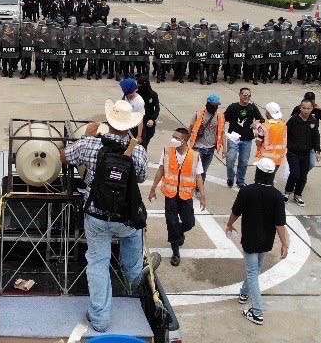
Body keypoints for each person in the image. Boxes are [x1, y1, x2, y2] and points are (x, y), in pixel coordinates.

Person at [60, 99, 152, 333]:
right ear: (130, 125)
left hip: (97, 216)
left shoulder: (90, 144)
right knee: (134, 237)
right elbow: (141, 177)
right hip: (127, 217)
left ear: (109, 122)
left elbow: (64, 157)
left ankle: (100, 318)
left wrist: (86, 136)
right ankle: (133, 277)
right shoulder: (139, 151)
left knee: (98, 264)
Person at [225, 157, 288, 326]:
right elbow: (280, 224)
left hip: (250, 240)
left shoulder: (247, 191)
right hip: (266, 241)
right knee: (256, 270)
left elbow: (236, 211)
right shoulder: (277, 196)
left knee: (253, 272)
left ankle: (257, 312)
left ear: (258, 173)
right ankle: (244, 293)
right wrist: (284, 243)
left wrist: (229, 224)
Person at [148, 127, 204, 266]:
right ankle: (175, 253)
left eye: (176, 138)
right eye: (173, 136)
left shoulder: (194, 156)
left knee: (189, 223)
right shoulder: (167, 151)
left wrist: (203, 195)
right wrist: (153, 188)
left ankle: (178, 233)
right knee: (172, 223)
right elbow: (161, 170)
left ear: (184, 140)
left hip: (186, 195)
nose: (173, 139)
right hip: (170, 194)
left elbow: (198, 176)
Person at [223, 87, 264, 188]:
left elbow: (261, 119)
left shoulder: (252, 107)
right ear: (240, 95)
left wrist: (256, 123)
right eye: (244, 94)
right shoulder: (233, 107)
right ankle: (230, 177)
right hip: (233, 138)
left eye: (249, 95)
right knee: (230, 160)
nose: (246, 97)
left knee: (244, 161)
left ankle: (240, 181)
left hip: (247, 139)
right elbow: (224, 118)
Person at [284, 99, 320, 206]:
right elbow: (285, 133)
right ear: (300, 108)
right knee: (294, 173)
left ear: (312, 109)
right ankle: (287, 192)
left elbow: (316, 136)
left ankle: (298, 195)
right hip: (293, 152)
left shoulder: (313, 121)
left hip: (306, 153)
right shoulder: (293, 120)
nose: (306, 110)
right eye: (304, 108)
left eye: (308, 108)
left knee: (303, 176)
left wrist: (317, 150)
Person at [189, 94, 224, 176]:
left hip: (210, 148)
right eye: (213, 105)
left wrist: (224, 149)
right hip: (198, 147)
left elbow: (222, 132)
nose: (215, 107)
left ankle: (200, 184)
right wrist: (186, 143)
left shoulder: (219, 116)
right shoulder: (198, 114)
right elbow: (190, 128)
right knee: (195, 171)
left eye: (216, 105)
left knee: (203, 172)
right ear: (208, 104)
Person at [254, 102, 287, 173]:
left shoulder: (264, 127)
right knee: (271, 176)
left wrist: (257, 133)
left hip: (265, 158)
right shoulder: (283, 125)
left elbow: (258, 143)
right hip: (278, 157)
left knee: (261, 177)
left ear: (268, 113)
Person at [136, 75, 159, 149]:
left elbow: (157, 108)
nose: (139, 87)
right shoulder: (136, 95)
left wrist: (152, 119)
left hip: (148, 120)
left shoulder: (153, 94)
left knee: (146, 139)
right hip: (138, 120)